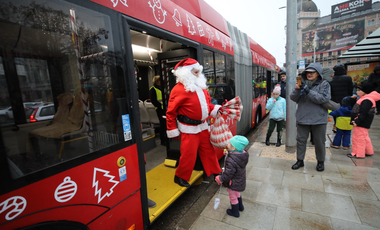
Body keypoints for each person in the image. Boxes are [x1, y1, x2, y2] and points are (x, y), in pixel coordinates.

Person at [166, 58, 222, 187]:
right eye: (196, 72)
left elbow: (208, 105)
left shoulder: (201, 88)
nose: (198, 75)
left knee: (209, 151)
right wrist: (172, 129)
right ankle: (180, 177)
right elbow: (171, 112)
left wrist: (218, 109)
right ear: (186, 73)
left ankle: (216, 173)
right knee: (188, 155)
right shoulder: (178, 90)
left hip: (202, 126)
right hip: (188, 128)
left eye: (198, 72)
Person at [290, 63, 330, 172]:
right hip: (303, 117)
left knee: (319, 142)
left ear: (318, 73)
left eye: (312, 72)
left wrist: (308, 91)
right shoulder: (302, 83)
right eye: (308, 72)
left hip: (319, 119)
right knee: (301, 141)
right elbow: (293, 98)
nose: (310, 74)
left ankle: (320, 162)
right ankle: (300, 160)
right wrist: (298, 89)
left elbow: (323, 99)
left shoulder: (324, 84)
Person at [215, 135, 249, 218]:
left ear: (234, 148)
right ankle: (240, 207)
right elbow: (235, 158)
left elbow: (228, 174)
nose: (228, 144)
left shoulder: (231, 160)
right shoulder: (243, 154)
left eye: (230, 144)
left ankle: (235, 212)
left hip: (233, 182)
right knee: (237, 193)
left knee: (232, 196)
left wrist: (220, 179)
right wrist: (228, 154)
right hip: (239, 180)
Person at [348, 82, 380, 159]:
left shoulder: (367, 100)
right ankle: (368, 151)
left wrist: (357, 121)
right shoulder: (365, 99)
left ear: (365, 91)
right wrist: (353, 100)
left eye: (359, 90)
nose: (357, 92)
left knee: (358, 138)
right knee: (364, 137)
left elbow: (363, 112)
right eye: (357, 90)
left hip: (361, 122)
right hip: (364, 122)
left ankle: (358, 153)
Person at [329, 64, 353, 132]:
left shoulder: (331, 79)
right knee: (345, 113)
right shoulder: (348, 78)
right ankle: (344, 126)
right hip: (345, 99)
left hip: (335, 99)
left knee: (336, 113)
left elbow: (330, 91)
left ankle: (336, 125)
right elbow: (350, 89)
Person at [149, 75, 167, 145]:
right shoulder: (153, 89)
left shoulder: (162, 88)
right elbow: (153, 100)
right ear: (157, 81)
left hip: (165, 108)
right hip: (160, 109)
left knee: (165, 124)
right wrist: (159, 106)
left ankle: (166, 138)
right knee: (162, 124)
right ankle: (163, 140)